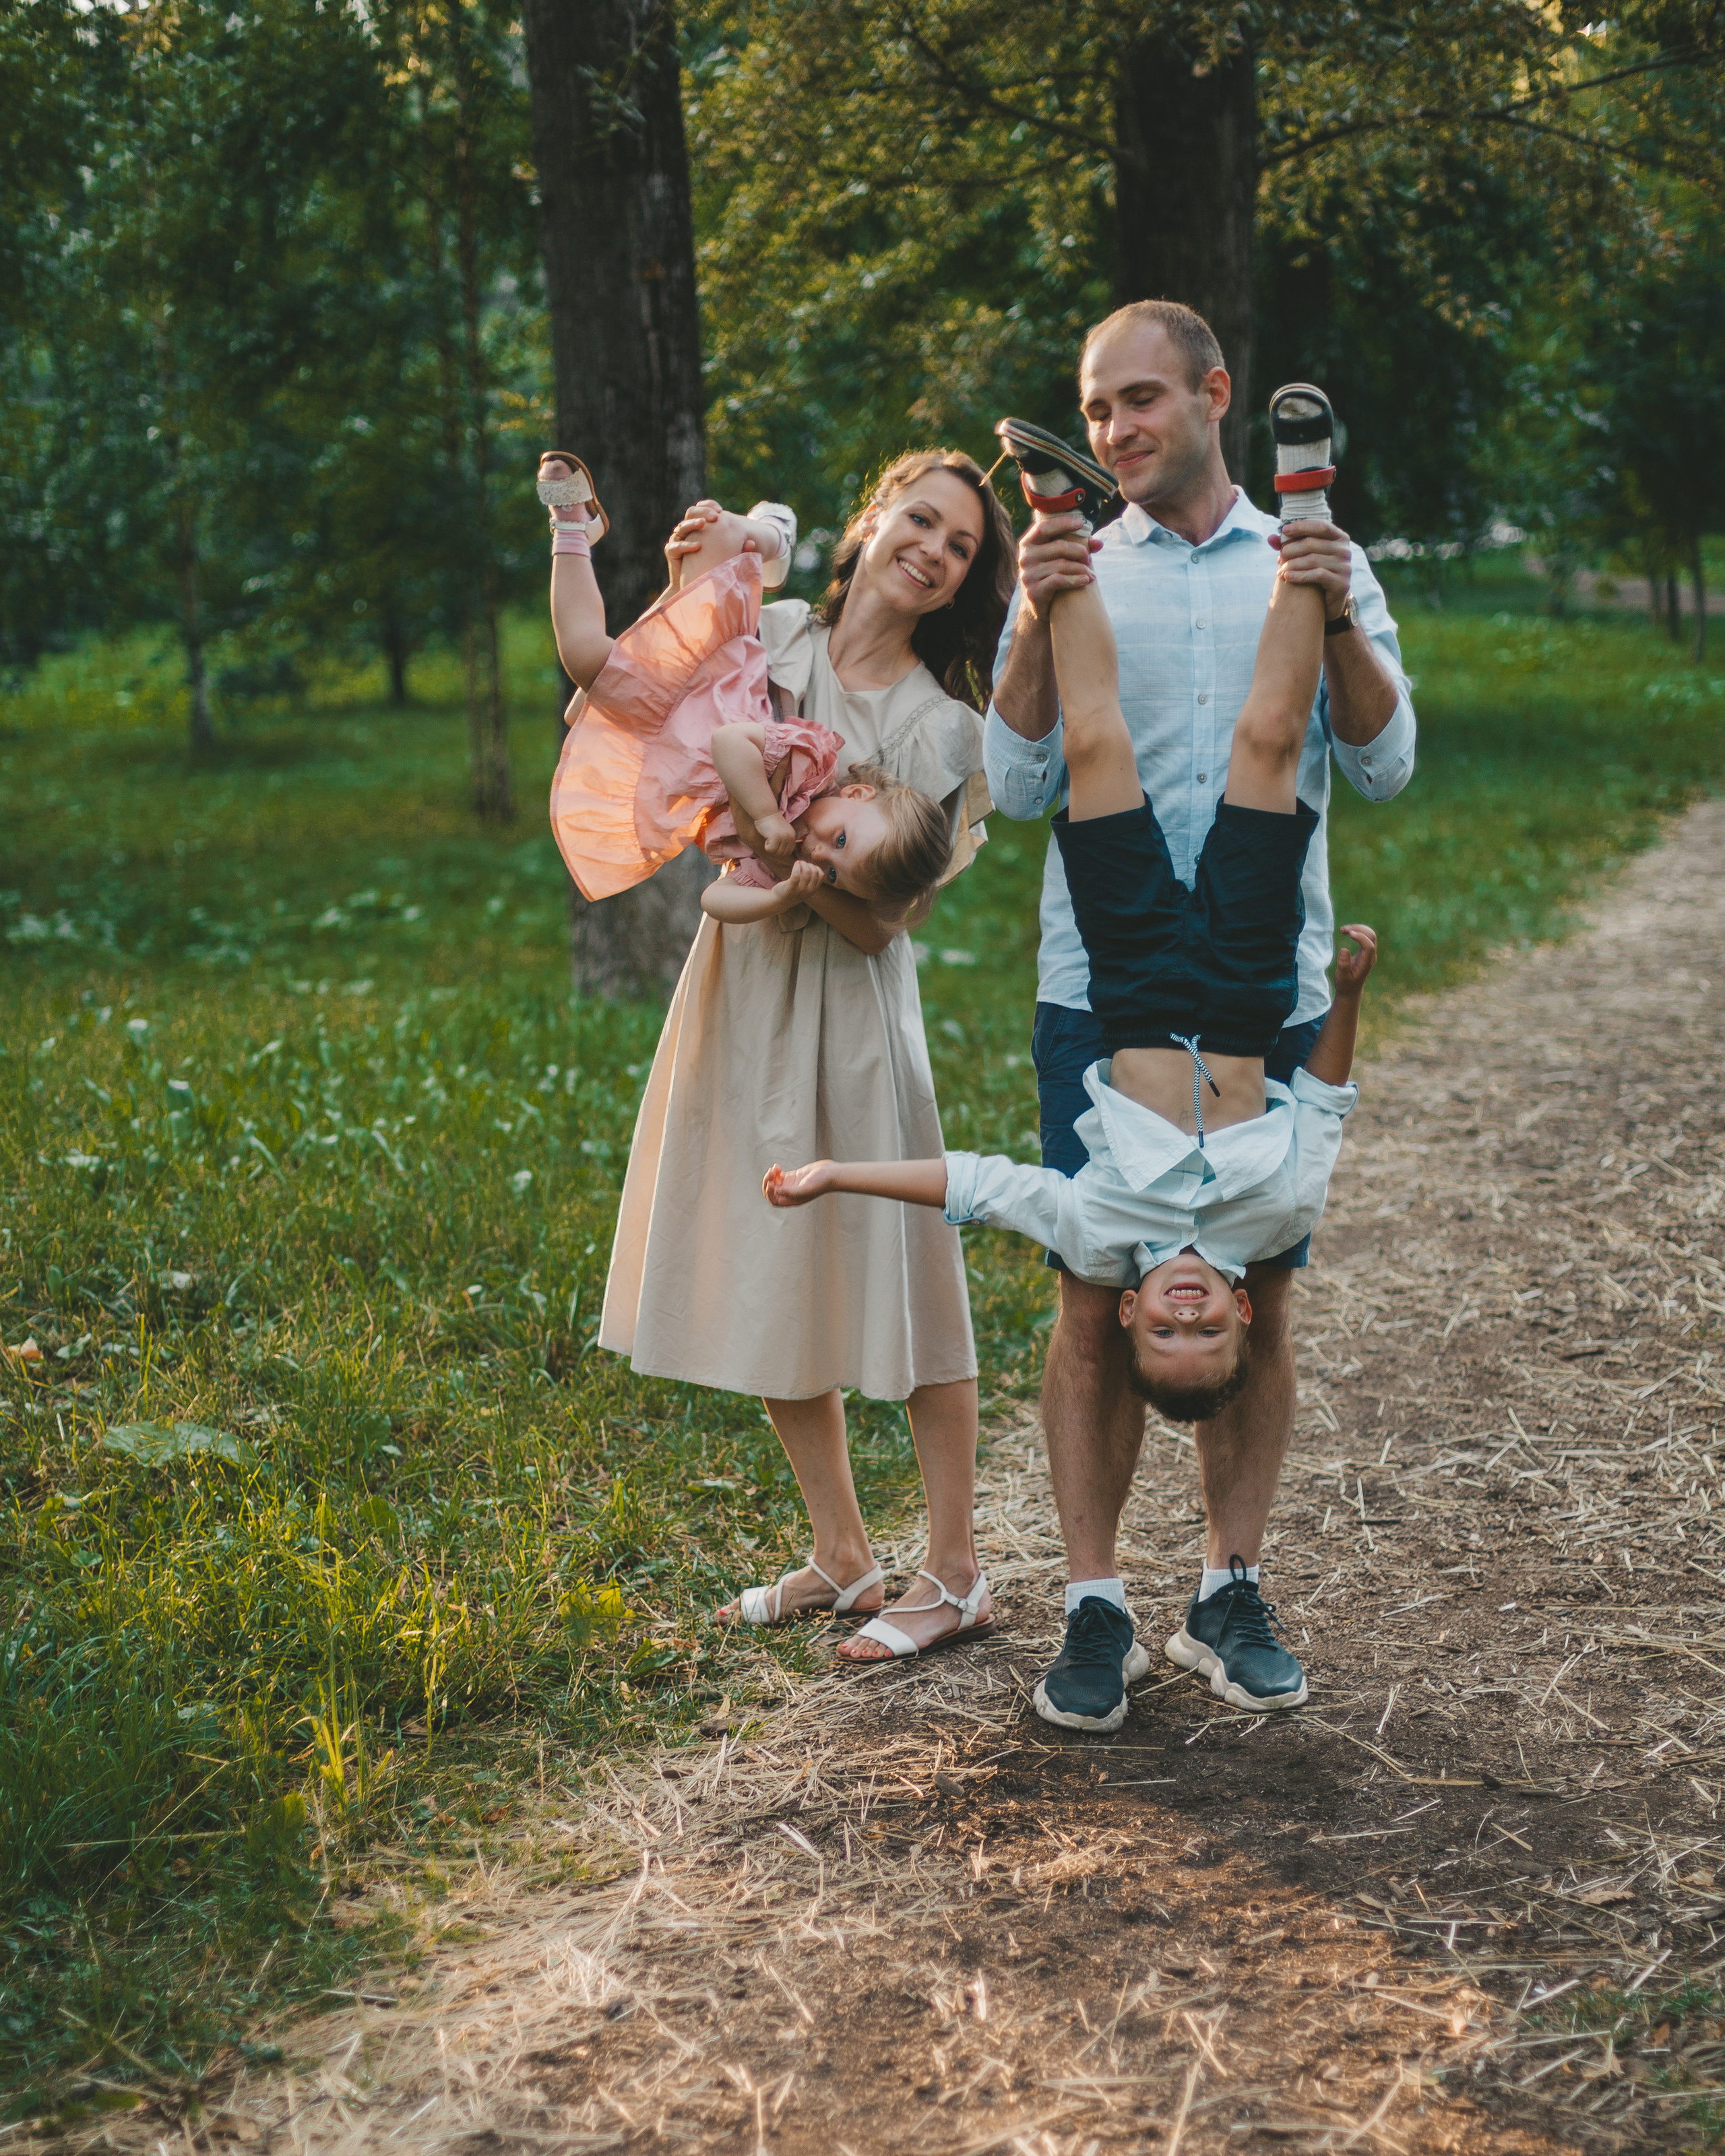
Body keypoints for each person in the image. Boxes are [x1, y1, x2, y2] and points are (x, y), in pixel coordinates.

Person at [762, 400, 1378, 1720]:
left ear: (1133, 1312)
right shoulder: (1274, 1219)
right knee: (1269, 746)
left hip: (1136, 980)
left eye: (1169, 1327)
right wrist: (1345, 994)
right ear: (1230, 1312)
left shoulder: (1102, 1228)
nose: (1192, 1312)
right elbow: (1323, 1096)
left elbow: (974, 1184)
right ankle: (1308, 503)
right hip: (1254, 975)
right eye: (1204, 1326)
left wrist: (833, 1173)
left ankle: (1051, 514)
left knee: (1097, 749)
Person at [984, 300, 1418, 1732]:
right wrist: (1041, 610)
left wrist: (1334, 597)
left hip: (1259, 984)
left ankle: (1229, 1586)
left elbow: (1384, 759)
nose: (1116, 431)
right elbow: (1018, 779)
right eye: (1096, 410)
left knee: (1262, 1295)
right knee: (1090, 1305)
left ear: (1213, 393)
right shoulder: (1070, 561)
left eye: (1138, 403)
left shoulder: (1313, 566)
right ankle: (1095, 1605)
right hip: (1094, 988)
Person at [581, 451, 1017, 1660]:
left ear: (963, 583)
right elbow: (646, 723)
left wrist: (779, 846)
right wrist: (679, 592)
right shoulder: (769, 637)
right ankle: (841, 1554)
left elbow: (886, 921)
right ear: (871, 519)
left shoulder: (947, 730)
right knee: (774, 1262)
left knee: (910, 1283)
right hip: (742, 994)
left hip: (856, 1017)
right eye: (919, 521)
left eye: (961, 548)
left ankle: (957, 1568)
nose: (932, 550)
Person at [538, 460, 949, 937]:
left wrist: (778, 895)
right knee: (702, 540)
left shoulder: (781, 858)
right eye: (839, 839)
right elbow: (731, 743)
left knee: (584, 678)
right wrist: (768, 816)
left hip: (667, 749)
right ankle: (772, 534)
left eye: (834, 873)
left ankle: (579, 530)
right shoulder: (811, 764)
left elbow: (713, 899)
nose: (819, 853)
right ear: (857, 793)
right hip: (706, 692)